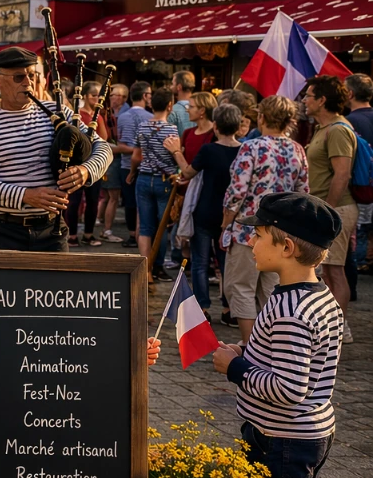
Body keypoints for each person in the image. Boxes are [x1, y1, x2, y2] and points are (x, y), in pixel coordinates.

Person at [211, 192, 342, 478]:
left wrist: (235, 368)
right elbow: (293, 363)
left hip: (281, 440)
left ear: (285, 247)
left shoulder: (289, 311)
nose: (251, 242)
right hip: (310, 435)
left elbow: (287, 388)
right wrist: (247, 352)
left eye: (260, 235)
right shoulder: (317, 298)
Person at [0, 47, 112, 254]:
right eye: (18, 77)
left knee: (53, 287)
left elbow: (102, 147)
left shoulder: (56, 112)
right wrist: (25, 195)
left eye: (32, 75)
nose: (28, 83)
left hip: (51, 230)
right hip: (1, 230)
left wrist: (85, 171)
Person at [221, 96, 309, 344]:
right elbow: (304, 193)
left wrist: (226, 221)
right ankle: (273, 343)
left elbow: (237, 191)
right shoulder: (297, 149)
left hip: (248, 230)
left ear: (262, 117)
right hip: (282, 232)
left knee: (241, 287)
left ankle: (251, 345)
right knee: (272, 290)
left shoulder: (252, 147)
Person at [164, 103, 243, 323]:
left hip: (205, 210)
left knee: (199, 262)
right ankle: (229, 309)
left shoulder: (209, 149)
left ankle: (202, 308)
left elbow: (188, 173)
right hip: (230, 213)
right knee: (226, 262)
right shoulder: (244, 149)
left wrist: (177, 152)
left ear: (216, 126)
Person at [302, 75, 358, 332]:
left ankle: (338, 328)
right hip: (325, 208)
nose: (304, 100)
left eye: (309, 96)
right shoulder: (323, 128)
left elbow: (342, 174)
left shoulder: (337, 130)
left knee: (335, 271)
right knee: (327, 270)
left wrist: (329, 211)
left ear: (322, 100)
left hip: (336, 209)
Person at [130, 87, 179, 280]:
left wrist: (132, 173)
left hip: (143, 178)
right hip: (164, 180)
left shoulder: (142, 127)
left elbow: (136, 156)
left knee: (145, 227)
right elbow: (175, 157)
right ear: (169, 105)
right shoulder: (171, 129)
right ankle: (157, 266)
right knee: (161, 226)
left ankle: (145, 270)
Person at [66, 80, 110, 247]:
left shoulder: (98, 114)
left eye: (99, 95)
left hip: (94, 163)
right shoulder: (76, 114)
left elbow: (104, 138)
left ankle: (89, 234)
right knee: (74, 201)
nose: (97, 98)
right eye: (94, 95)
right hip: (77, 162)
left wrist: (99, 118)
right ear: (85, 96)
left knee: (92, 201)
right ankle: (72, 235)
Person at [115, 81, 152, 248]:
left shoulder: (123, 117)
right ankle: (142, 233)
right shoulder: (151, 118)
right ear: (144, 96)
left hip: (125, 164)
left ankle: (132, 234)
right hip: (146, 165)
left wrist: (130, 150)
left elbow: (120, 144)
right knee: (144, 203)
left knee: (130, 201)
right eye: (149, 94)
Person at [345, 73, 373, 272]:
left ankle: (358, 263)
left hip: (360, 185)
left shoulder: (348, 123)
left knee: (360, 229)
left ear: (350, 94)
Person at [97, 83, 129, 243]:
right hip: (111, 160)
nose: (111, 98)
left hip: (115, 160)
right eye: (111, 95)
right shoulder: (106, 114)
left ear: (123, 97)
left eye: (114, 95)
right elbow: (104, 142)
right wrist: (128, 149)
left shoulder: (122, 113)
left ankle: (102, 223)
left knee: (110, 196)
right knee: (111, 197)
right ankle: (106, 229)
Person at [167, 70, 196, 135]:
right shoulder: (199, 108)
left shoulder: (173, 110)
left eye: (172, 84)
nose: (170, 87)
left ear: (179, 87)